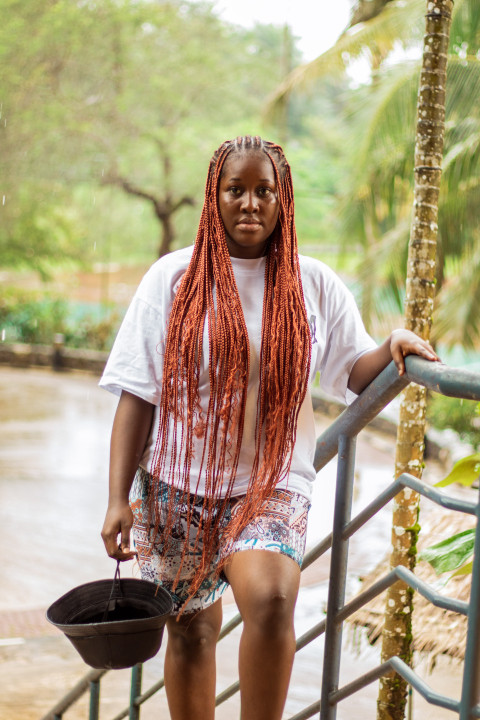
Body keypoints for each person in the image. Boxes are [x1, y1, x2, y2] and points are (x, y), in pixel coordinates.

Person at [100, 135, 439, 720]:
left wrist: (391, 347)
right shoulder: (172, 279)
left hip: (270, 481)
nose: (250, 203)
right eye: (236, 190)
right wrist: (115, 498)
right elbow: (138, 393)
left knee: (274, 598)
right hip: (176, 486)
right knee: (190, 633)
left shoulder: (313, 283)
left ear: (283, 200)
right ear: (216, 196)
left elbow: (351, 374)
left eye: (264, 191)